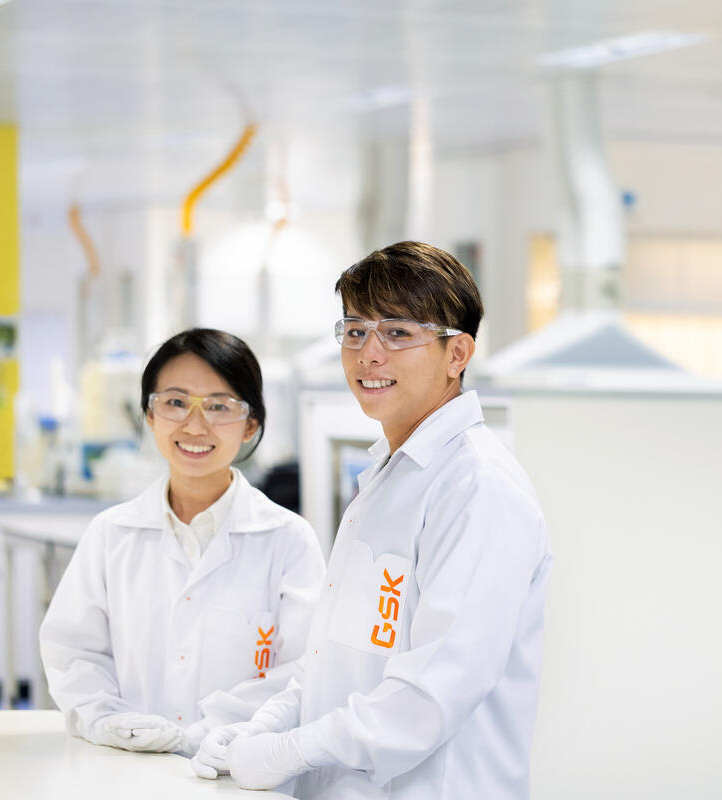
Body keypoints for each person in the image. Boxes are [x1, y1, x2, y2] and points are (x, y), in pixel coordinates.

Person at [192, 242, 553, 798]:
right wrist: (264, 727)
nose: (368, 354)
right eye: (356, 331)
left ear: (457, 353)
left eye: (398, 333)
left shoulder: (479, 489)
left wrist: (289, 752)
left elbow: (429, 698)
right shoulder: (388, 478)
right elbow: (333, 660)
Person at [40, 328, 325, 755]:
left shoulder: (288, 540)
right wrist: (112, 722)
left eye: (219, 406)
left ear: (250, 425)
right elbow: (73, 652)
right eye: (175, 402)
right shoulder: (111, 534)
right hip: (128, 766)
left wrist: (204, 736)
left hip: (237, 767)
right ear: (149, 415)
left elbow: (302, 671)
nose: (195, 425)